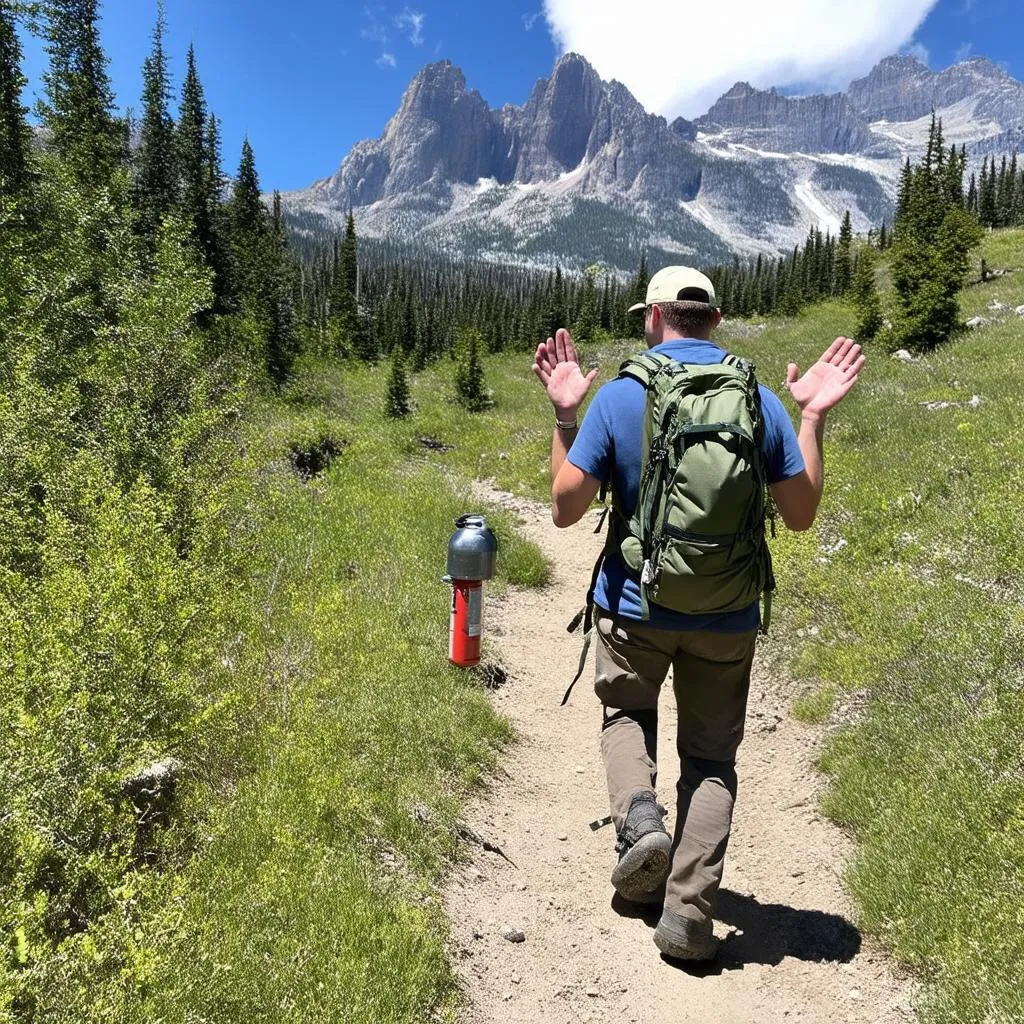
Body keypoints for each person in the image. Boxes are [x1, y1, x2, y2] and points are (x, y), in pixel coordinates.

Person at [531, 265, 864, 962]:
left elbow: (564, 509)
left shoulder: (623, 395)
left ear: (653, 318)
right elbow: (799, 517)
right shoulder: (757, 398)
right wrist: (813, 418)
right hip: (728, 612)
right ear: (713, 320)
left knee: (627, 715)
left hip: (634, 606)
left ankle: (640, 821)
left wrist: (565, 414)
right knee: (711, 760)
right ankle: (687, 912)